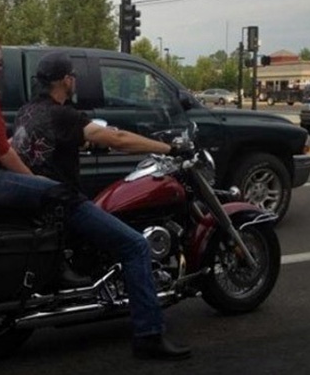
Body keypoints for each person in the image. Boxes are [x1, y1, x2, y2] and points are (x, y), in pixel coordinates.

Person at [11, 50, 191, 360]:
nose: (74, 81)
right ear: (65, 80)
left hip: (37, 201)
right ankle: (149, 334)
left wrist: (90, 141)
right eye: (72, 76)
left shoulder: (27, 111)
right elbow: (119, 139)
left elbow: (61, 142)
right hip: (63, 204)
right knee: (136, 246)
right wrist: (170, 149)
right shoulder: (63, 115)